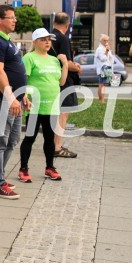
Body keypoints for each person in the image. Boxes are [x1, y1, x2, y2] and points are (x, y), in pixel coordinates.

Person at [0, 5, 29, 199]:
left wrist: (22, 95)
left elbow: (14, 70)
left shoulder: (7, 41)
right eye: (10, 17)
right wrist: (10, 97)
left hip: (14, 99)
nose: (14, 20)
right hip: (0, 99)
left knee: (12, 139)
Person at [17, 28, 70, 183]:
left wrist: (65, 64)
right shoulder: (29, 58)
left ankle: (49, 168)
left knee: (49, 138)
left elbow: (61, 82)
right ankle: (24, 169)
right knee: (30, 137)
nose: (47, 42)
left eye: (49, 39)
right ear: (35, 42)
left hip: (52, 106)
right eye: (43, 39)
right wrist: (24, 96)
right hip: (35, 105)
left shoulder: (54, 60)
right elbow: (23, 79)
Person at [48, 12, 81, 158]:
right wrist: (77, 67)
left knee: (53, 114)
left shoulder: (48, 37)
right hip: (63, 80)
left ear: (54, 22)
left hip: (50, 79)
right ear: (67, 25)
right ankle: (57, 147)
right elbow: (66, 63)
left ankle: (51, 143)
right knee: (63, 113)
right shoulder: (63, 39)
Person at [94, 34, 113, 104]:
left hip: (107, 67)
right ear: (101, 41)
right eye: (104, 40)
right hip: (102, 68)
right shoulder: (100, 49)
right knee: (102, 84)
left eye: (107, 40)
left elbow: (110, 59)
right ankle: (101, 100)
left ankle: (102, 99)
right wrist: (107, 51)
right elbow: (103, 59)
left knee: (104, 84)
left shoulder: (106, 48)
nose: (106, 42)